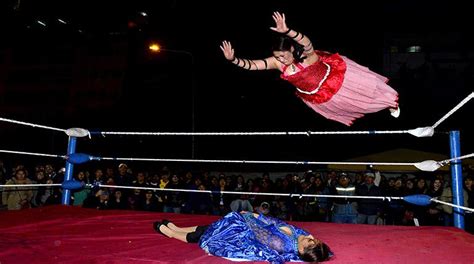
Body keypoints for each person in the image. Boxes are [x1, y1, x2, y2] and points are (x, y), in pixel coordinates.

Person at [220, 11, 399, 126]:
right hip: (319, 95)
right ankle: (385, 105)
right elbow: (252, 66)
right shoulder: (277, 63)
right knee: (360, 107)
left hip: (336, 80)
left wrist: (287, 30)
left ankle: (390, 103)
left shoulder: (307, 57)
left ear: (291, 49)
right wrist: (233, 59)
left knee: (368, 90)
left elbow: (306, 42)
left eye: (283, 55)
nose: (280, 59)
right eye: (276, 56)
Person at [153, 211, 332, 263]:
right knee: (212, 226)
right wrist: (257, 215)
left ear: (302, 249)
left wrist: (249, 216)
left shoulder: (283, 244)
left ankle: (172, 233)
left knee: (210, 233)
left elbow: (258, 232)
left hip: (244, 234)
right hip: (251, 226)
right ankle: (178, 228)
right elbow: (274, 222)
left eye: (311, 241)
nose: (311, 237)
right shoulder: (298, 238)